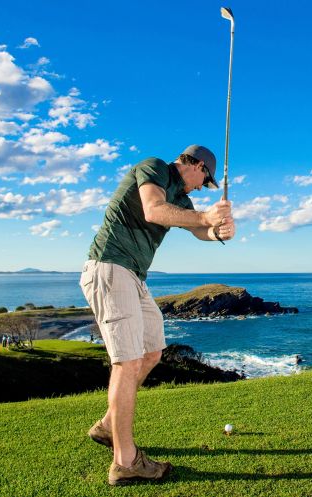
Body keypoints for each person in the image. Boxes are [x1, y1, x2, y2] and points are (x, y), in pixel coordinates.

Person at [79, 144, 235, 486]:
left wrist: (218, 231)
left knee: (151, 351)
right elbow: (153, 210)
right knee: (128, 362)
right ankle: (125, 462)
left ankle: (108, 425)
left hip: (134, 275)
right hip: (110, 266)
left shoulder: (182, 198)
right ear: (194, 164)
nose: (200, 187)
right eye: (203, 180)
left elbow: (199, 230)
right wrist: (206, 218)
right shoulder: (154, 168)